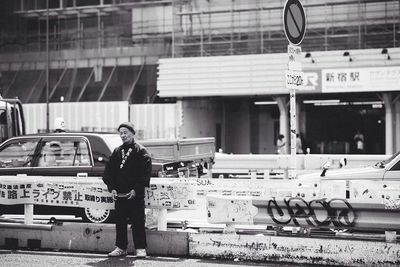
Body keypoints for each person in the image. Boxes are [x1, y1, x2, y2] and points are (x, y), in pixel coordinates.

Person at [102, 122, 152, 258]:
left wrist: (136, 189)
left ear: (132, 133)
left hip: (135, 194)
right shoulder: (117, 151)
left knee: (138, 221)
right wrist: (111, 188)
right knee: (120, 222)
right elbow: (109, 172)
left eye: (125, 132)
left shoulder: (141, 151)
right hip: (120, 194)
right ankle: (121, 247)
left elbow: (145, 173)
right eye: (121, 133)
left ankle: (140, 248)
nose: (123, 135)